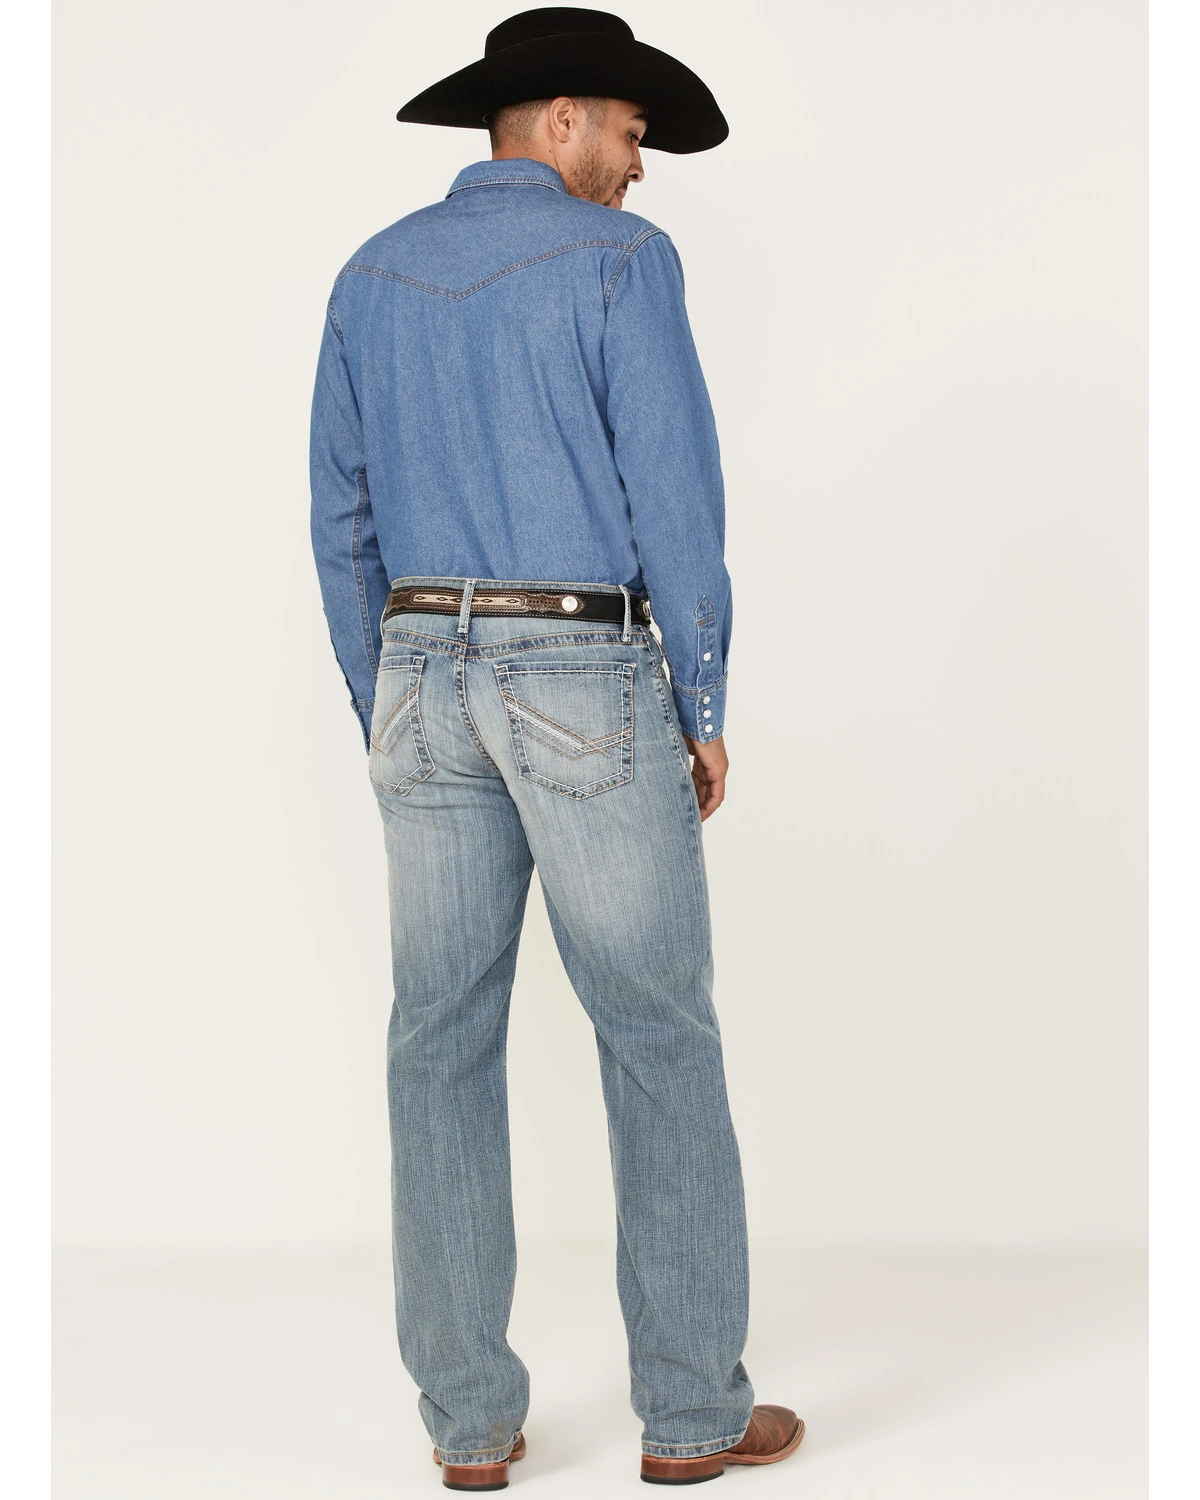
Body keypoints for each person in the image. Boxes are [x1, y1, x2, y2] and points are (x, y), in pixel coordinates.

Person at [309, 7, 804, 1489]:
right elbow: (677, 501)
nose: (642, 167)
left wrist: (388, 701)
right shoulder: (618, 263)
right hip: (580, 668)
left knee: (437, 1041)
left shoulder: (370, 274)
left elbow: (342, 520)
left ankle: (468, 1425)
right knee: (656, 1032)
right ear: (566, 117)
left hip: (417, 669)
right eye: (634, 135)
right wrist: (699, 701)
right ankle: (692, 1411)